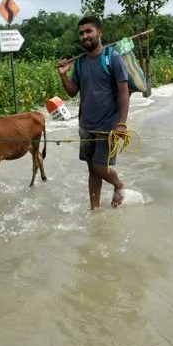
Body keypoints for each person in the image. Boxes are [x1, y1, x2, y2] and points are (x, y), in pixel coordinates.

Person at [57, 15, 130, 210]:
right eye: (81, 33)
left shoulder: (112, 58)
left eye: (89, 31)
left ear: (99, 33)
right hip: (86, 125)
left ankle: (119, 184)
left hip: (109, 125)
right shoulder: (80, 63)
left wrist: (121, 123)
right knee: (92, 169)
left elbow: (124, 92)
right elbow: (73, 92)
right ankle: (94, 209)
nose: (85, 36)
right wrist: (63, 75)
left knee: (100, 167)